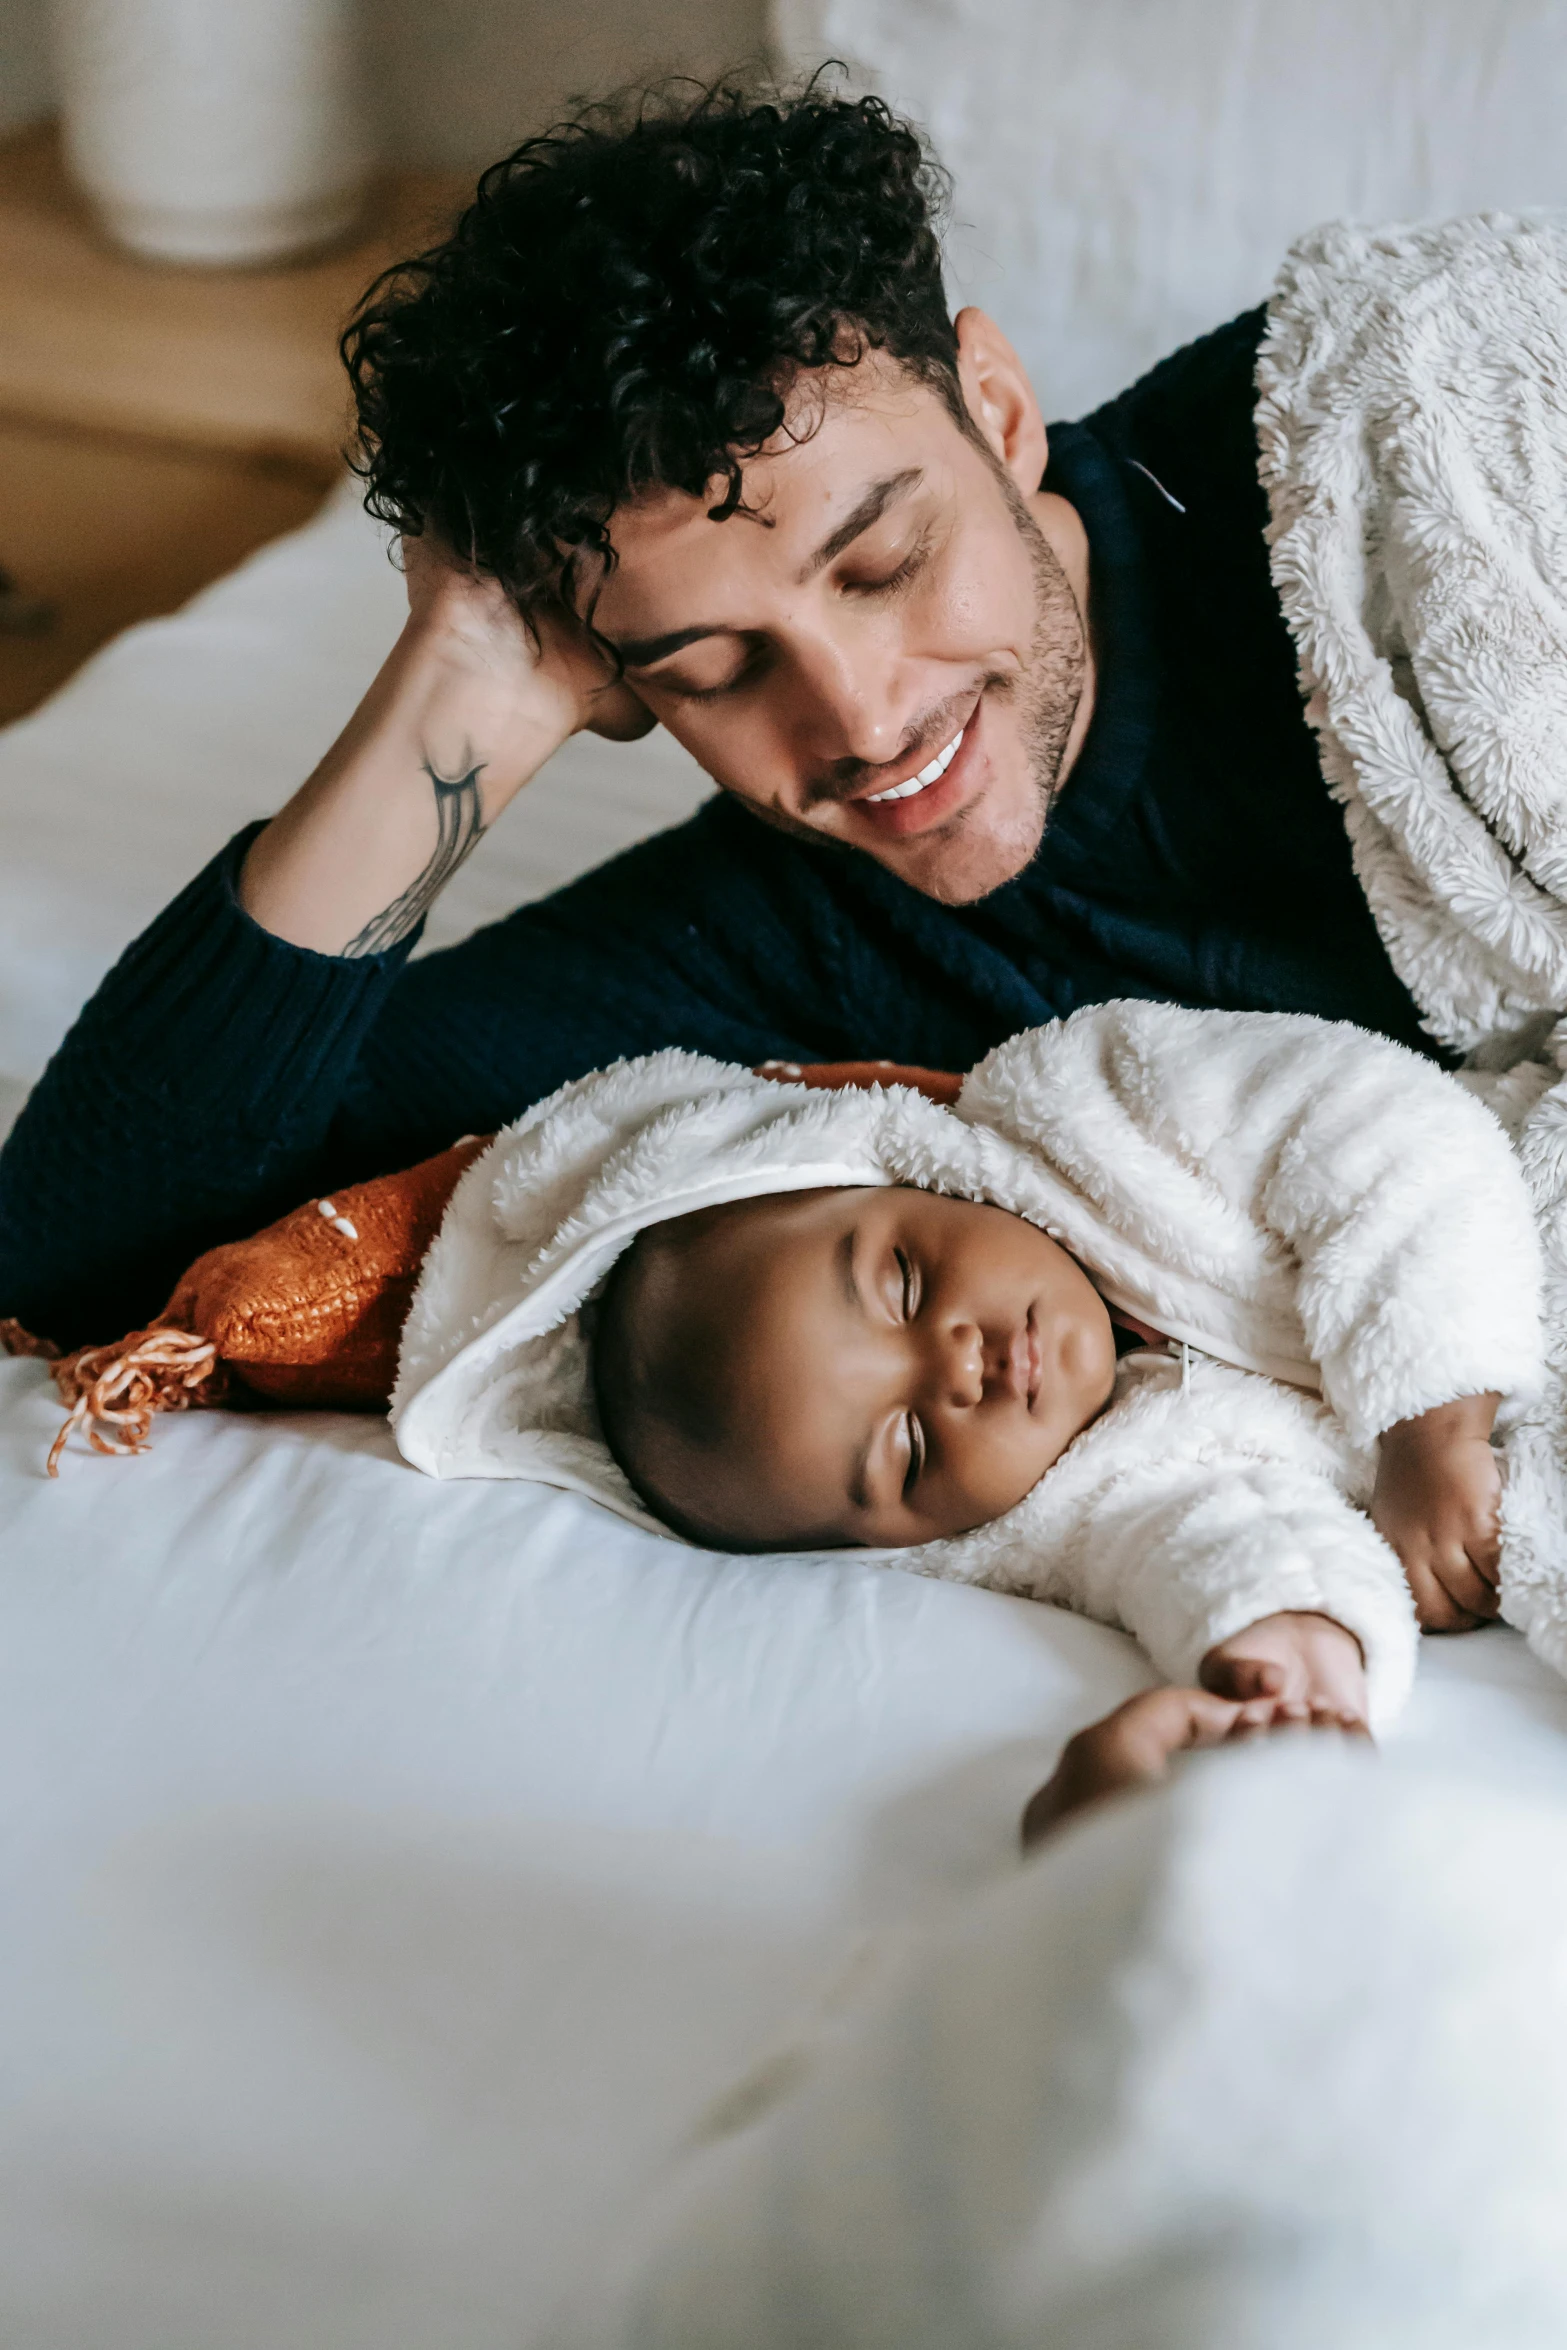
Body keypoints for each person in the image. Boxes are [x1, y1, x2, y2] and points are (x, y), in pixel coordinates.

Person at [0, 79, 1438, 1350]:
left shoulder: (1390, 468)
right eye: (708, 665)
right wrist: (462, 678)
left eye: (883, 562)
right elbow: (77, 1263)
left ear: (1000, 412)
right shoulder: (772, 933)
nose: (862, 720)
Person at [389, 999, 1546, 1742]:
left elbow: (1387, 1128)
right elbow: (1226, 1535)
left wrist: (1429, 1424)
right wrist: (1286, 1652)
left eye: (900, 1281)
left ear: (891, 1167)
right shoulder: (1074, 1506)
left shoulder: (1090, 1100)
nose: (957, 1371)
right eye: (908, 1448)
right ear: (906, 1541)